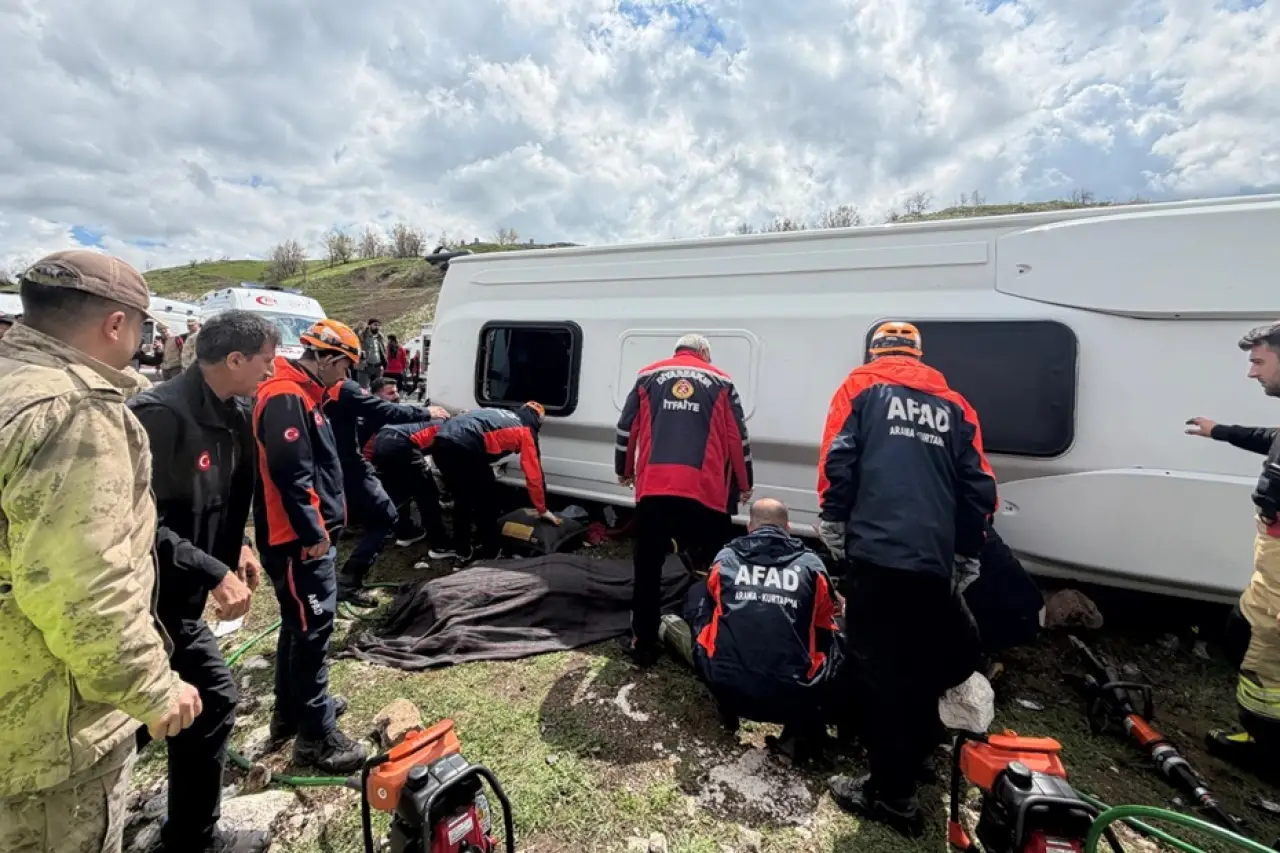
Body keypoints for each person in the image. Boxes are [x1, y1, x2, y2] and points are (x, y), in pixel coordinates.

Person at [0, 250, 201, 853]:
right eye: (142, 324)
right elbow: (82, 585)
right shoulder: (74, 411)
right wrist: (152, 687)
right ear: (117, 325)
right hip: (48, 726)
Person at [818, 321, 997, 837]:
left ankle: (891, 795)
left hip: (876, 554)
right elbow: (978, 486)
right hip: (932, 562)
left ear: (875, 352)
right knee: (919, 665)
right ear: (920, 357)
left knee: (879, 671)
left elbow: (838, 460)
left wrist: (834, 525)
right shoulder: (956, 406)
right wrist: (966, 553)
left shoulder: (860, 389)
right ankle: (911, 760)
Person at [128, 311, 281, 853]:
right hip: (143, 598)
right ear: (235, 360)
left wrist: (236, 546)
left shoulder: (235, 413)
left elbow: (222, 498)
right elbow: (141, 522)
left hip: (182, 596)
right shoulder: (158, 414)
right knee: (206, 698)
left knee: (187, 704)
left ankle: (186, 832)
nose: (273, 367)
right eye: (266, 358)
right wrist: (211, 569)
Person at [252, 318, 367, 773]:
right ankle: (316, 739)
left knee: (297, 628)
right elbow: (292, 476)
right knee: (314, 633)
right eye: (346, 367)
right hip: (299, 544)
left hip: (299, 540)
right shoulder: (286, 396)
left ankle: (292, 712)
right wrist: (315, 534)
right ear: (330, 358)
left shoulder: (301, 393)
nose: (347, 377)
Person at [614, 333, 753, 667]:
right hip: (705, 491)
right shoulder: (721, 380)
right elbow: (738, 437)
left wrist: (623, 469)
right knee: (716, 567)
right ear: (703, 353)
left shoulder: (647, 375)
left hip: (655, 489)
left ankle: (643, 642)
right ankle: (718, 644)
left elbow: (625, 427)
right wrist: (745, 482)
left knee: (647, 568)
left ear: (678, 350)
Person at [1187, 320, 1280, 775]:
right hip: (1272, 548)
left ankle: (1265, 749)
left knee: (1262, 650)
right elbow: (1273, 440)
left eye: (1259, 362)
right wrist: (1220, 430)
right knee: (1242, 629)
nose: (1251, 373)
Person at [686, 499, 842, 761]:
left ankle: (726, 705)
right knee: (834, 635)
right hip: (794, 695)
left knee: (699, 598)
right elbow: (827, 623)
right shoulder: (812, 566)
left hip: (726, 685)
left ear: (749, 527)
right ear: (788, 528)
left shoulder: (726, 559)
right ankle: (805, 729)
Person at [322, 370, 436, 606]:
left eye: (396, 393)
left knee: (336, 525)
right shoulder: (348, 394)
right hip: (350, 467)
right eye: (389, 393)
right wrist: (427, 412)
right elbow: (388, 414)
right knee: (384, 514)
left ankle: (335, 582)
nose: (395, 397)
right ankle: (345, 582)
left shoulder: (326, 394)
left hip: (339, 466)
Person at [431, 402, 554, 566]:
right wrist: (542, 508)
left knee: (462, 499)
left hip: (441, 443)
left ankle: (462, 551)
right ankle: (491, 553)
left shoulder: (501, 414)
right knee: (487, 502)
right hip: (467, 448)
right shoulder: (527, 430)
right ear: (537, 420)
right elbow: (534, 476)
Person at [367, 416, 451, 554]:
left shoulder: (429, 421)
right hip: (401, 443)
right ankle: (440, 545)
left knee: (398, 493)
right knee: (427, 494)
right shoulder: (447, 428)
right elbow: (441, 457)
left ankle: (406, 533)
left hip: (382, 441)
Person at [357, 317, 386, 388]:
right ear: (369, 325)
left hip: (377, 367)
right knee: (364, 388)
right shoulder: (362, 335)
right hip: (365, 367)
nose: (377, 327)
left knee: (377, 388)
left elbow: (382, 351)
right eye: (375, 325)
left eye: (379, 325)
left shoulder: (380, 337)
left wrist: (383, 364)